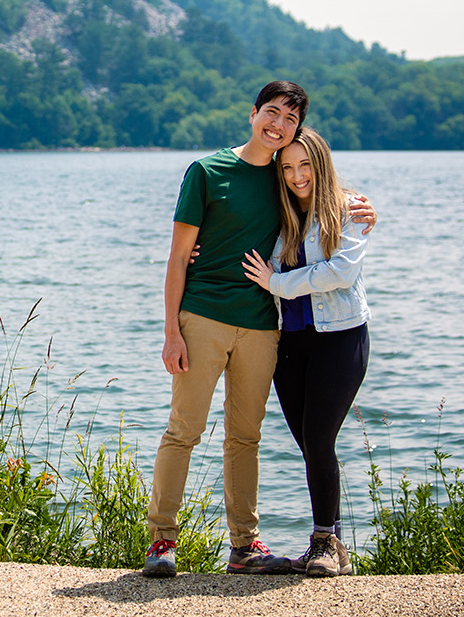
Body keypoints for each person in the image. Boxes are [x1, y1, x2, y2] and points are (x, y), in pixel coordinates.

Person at [141, 81, 375, 578]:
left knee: (245, 437)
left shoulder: (284, 176)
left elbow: (323, 196)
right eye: (271, 113)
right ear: (252, 114)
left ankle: (244, 547)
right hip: (202, 317)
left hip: (264, 327)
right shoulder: (207, 171)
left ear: (298, 128)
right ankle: (163, 541)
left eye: (289, 119)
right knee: (184, 430)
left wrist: (363, 208)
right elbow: (180, 256)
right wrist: (171, 332)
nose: (278, 125)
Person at [241, 127, 369, 578]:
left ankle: (321, 542)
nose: (297, 176)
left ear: (321, 163)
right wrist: (199, 251)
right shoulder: (276, 214)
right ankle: (332, 546)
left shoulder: (347, 209)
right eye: (288, 167)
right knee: (310, 446)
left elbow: (339, 272)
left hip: (340, 337)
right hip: (288, 343)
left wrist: (277, 283)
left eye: (305, 165)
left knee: (319, 439)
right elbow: (236, 242)